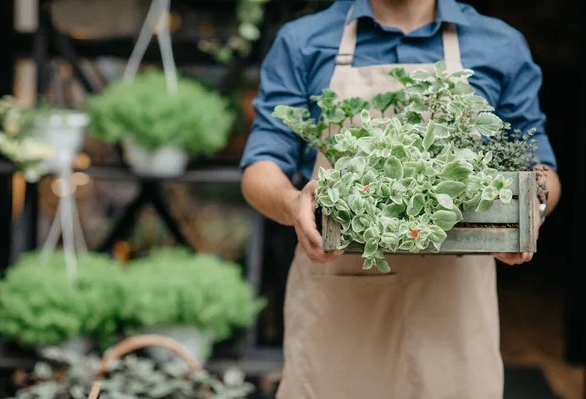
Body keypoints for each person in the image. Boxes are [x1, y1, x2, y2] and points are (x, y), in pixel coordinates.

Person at [240, 0, 562, 397]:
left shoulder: (498, 44)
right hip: (338, 300)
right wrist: (293, 204)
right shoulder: (304, 41)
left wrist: (530, 211)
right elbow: (262, 164)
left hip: (452, 310)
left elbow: (539, 167)